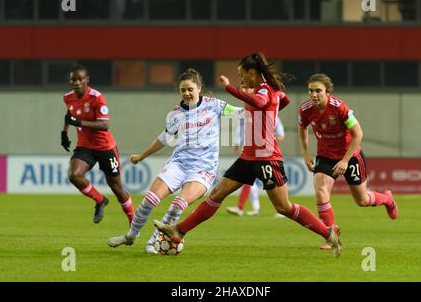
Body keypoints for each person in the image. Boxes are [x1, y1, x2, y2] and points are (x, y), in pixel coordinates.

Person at [154, 52, 342, 258]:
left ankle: (328, 232)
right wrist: (271, 113)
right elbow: (282, 99)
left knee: (283, 207)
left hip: (267, 158)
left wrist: (229, 88)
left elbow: (262, 103)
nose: (240, 78)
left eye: (241, 74)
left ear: (252, 72)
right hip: (248, 157)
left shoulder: (262, 90)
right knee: (217, 194)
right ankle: (179, 230)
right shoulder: (265, 90)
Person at [107, 68, 243, 254]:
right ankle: (130, 236)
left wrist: (256, 101)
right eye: (183, 90)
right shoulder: (175, 114)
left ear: (199, 88)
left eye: (190, 89)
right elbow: (163, 139)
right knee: (150, 199)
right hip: (178, 163)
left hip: (203, 169)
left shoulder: (215, 105)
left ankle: (153, 242)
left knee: (178, 204)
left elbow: (240, 113)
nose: (187, 93)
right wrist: (142, 156)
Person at [298, 73, 399, 250]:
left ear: (327, 92)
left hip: (350, 156)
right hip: (325, 155)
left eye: (318, 91)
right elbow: (302, 128)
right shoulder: (306, 109)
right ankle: (332, 236)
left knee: (362, 200)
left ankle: (387, 199)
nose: (313, 94)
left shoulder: (340, 108)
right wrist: (306, 154)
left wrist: (345, 161)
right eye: (310, 91)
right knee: (321, 191)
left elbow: (358, 134)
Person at [61, 65, 135, 224]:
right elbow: (70, 113)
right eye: (73, 80)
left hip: (105, 147)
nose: (76, 83)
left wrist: (78, 122)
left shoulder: (97, 97)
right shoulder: (68, 97)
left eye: (80, 79)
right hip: (85, 146)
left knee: (117, 188)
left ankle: (133, 221)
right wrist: (64, 132)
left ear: (87, 80)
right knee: (74, 175)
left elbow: (104, 125)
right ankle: (100, 200)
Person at [226, 115, 285, 217]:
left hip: (267, 155)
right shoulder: (247, 115)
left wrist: (266, 143)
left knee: (272, 182)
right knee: (248, 181)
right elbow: (240, 131)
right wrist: (237, 145)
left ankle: (283, 209)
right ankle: (248, 207)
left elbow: (280, 135)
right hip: (250, 154)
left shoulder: (273, 117)